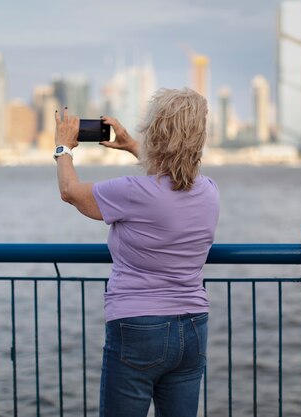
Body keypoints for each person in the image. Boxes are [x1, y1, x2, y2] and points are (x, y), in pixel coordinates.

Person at [54, 87, 220, 417]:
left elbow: (70, 192)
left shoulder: (133, 192)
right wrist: (131, 146)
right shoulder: (209, 192)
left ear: (155, 133)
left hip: (137, 326)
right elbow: (172, 177)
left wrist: (63, 147)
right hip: (193, 327)